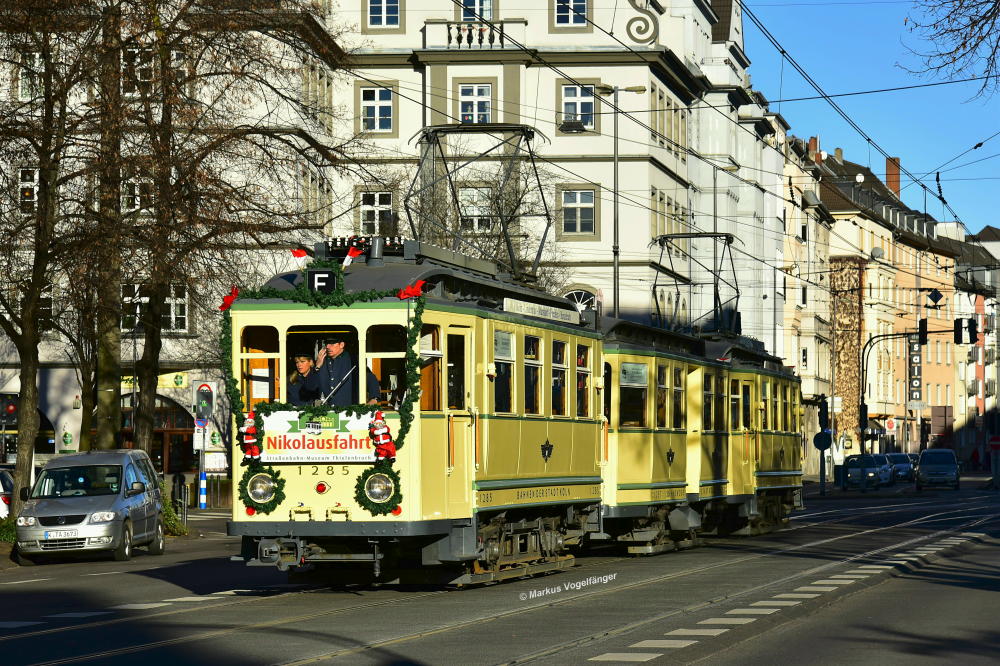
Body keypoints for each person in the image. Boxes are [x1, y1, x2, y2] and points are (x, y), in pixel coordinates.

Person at [303, 335, 381, 407]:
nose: (327, 347)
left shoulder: (352, 360)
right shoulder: (321, 361)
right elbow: (310, 387)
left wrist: (374, 399)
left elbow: (370, 378)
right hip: (326, 412)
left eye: (332, 344)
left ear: (342, 345)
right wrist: (317, 366)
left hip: (348, 411)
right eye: (326, 344)